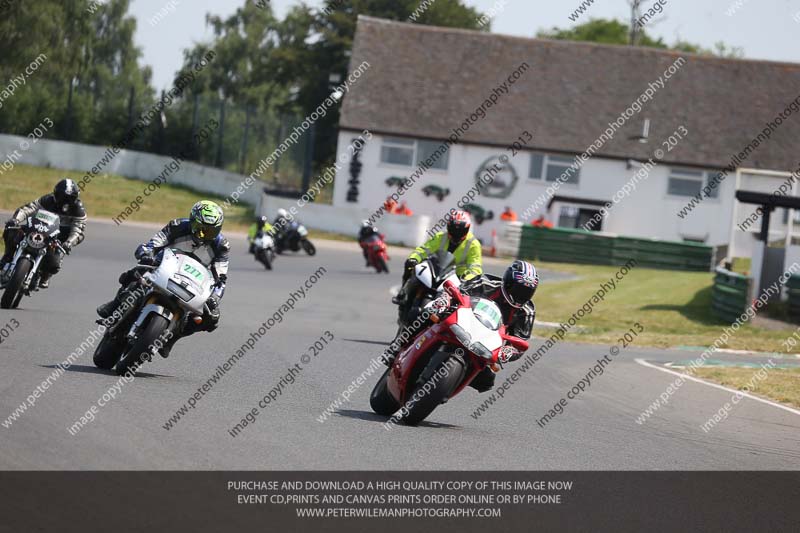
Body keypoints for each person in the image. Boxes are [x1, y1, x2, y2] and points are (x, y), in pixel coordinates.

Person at [96, 200, 229, 358]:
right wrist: (146, 253)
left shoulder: (221, 245)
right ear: (192, 221)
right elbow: (154, 243)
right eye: (201, 228)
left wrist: (214, 297)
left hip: (191, 281)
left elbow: (221, 277)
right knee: (136, 273)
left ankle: (172, 338)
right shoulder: (177, 226)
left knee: (212, 317)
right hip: (164, 267)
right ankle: (114, 306)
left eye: (212, 231)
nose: (205, 234)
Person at [385, 260, 539, 393]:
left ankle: (446, 387)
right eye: (519, 289)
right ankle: (397, 346)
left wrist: (507, 352)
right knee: (427, 312)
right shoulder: (486, 283)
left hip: (484, 342)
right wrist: (445, 300)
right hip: (460, 319)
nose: (521, 295)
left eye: (527, 291)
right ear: (508, 281)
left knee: (486, 381)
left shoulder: (527, 311)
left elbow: (520, 342)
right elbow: (458, 291)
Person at [0, 178, 86, 289]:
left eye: (70, 198)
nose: (65, 201)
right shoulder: (47, 200)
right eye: (62, 197)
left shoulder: (78, 209)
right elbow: (28, 209)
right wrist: (16, 220)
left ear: (76, 198)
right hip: (37, 227)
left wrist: (69, 242)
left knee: (54, 263)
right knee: (11, 229)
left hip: (59, 236)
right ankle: (7, 257)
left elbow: (78, 229)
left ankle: (45, 275)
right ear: (55, 193)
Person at [401, 209, 482, 287]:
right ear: (448, 227)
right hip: (436, 272)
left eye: (460, 231)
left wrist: (467, 280)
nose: (456, 233)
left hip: (458, 280)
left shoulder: (473, 244)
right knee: (410, 265)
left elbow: (475, 267)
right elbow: (424, 250)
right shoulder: (440, 237)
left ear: (467, 229)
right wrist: (414, 258)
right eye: (453, 229)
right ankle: (404, 290)